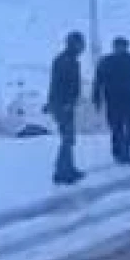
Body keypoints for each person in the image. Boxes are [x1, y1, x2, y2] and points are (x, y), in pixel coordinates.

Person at [92, 36, 130, 165]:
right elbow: (98, 81)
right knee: (116, 128)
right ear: (114, 47)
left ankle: (124, 152)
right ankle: (119, 154)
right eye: (118, 46)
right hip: (113, 99)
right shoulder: (106, 61)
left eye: (123, 46)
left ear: (125, 47)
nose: (120, 49)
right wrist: (96, 98)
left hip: (129, 99)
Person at [45, 31, 86, 185]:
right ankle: (61, 172)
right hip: (63, 104)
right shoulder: (66, 60)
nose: (83, 46)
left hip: (64, 104)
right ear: (73, 44)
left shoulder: (70, 59)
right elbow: (61, 84)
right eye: (80, 43)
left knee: (69, 138)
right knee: (67, 138)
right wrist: (65, 103)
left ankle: (68, 168)